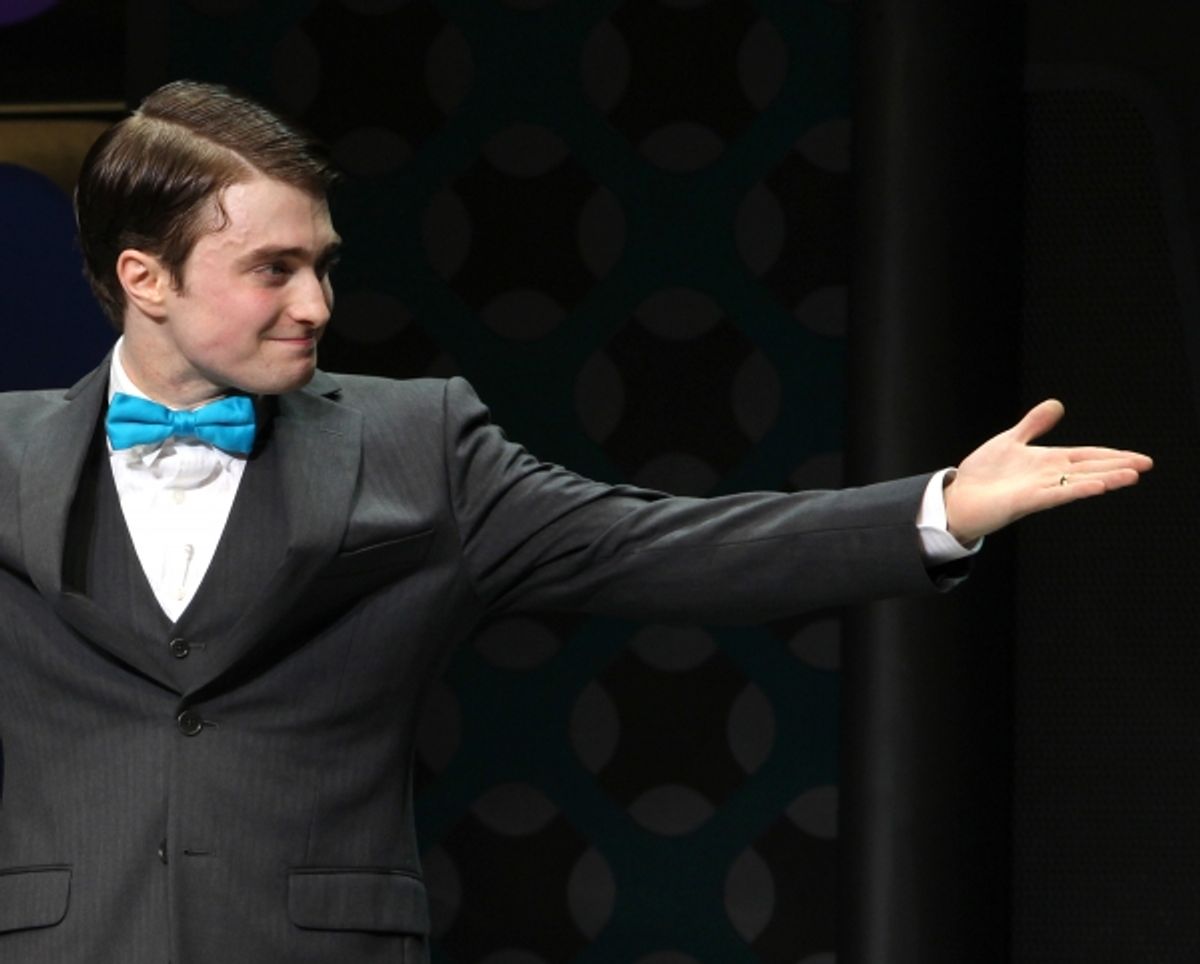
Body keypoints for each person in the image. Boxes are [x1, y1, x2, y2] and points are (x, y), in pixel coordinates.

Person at [0, 80, 1150, 964]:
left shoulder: (415, 443)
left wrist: (938, 508)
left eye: (324, 266)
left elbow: (656, 547)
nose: (317, 305)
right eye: (274, 269)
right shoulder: (8, 458)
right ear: (145, 276)